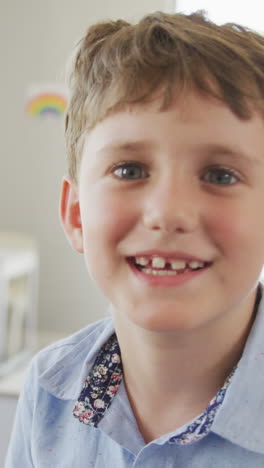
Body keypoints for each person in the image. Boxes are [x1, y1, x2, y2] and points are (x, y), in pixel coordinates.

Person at [5, 9, 264, 467]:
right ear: (76, 213)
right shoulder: (46, 392)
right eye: (129, 170)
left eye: (220, 175)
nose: (168, 213)